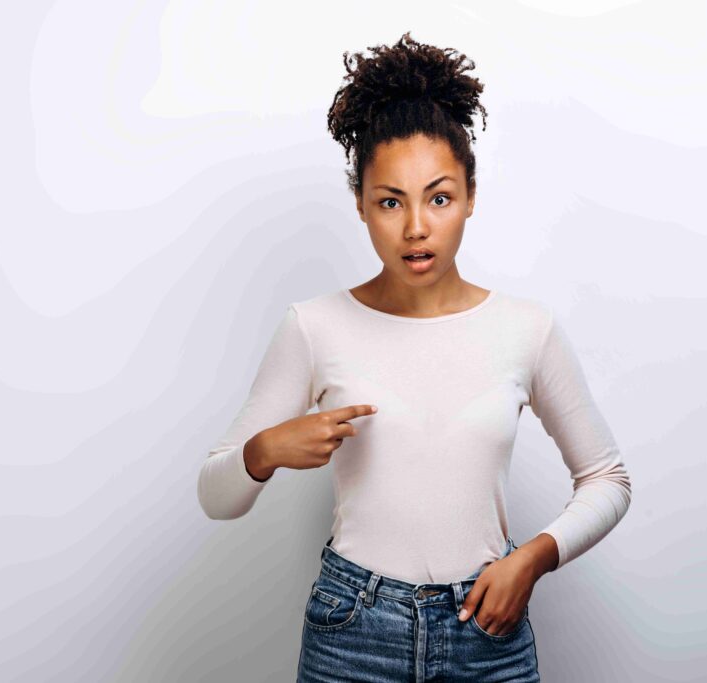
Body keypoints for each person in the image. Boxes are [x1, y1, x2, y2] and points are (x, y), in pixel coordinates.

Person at [197, 31, 632, 682]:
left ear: (470, 196)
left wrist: (534, 557)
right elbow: (215, 494)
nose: (416, 227)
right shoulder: (314, 326)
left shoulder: (526, 328)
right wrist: (264, 450)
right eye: (390, 202)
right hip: (353, 634)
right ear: (361, 205)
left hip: (487, 630)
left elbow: (607, 478)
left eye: (439, 197)